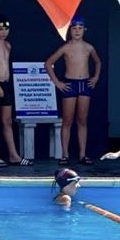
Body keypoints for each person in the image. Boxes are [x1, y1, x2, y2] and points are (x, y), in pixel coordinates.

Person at [43, 17, 101, 165]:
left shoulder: (89, 47)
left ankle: (82, 155)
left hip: (84, 84)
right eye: (74, 28)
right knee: (67, 120)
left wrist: (95, 77)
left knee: (82, 121)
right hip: (70, 84)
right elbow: (48, 63)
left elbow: (98, 62)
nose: (77, 31)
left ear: (84, 30)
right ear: (69, 30)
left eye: (80, 28)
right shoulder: (66, 47)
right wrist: (57, 83)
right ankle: (65, 155)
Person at [0, 18, 30, 168]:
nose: (3, 32)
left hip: (6, 85)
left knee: (7, 121)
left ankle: (14, 155)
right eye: (0, 29)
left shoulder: (8, 45)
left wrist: (4, 85)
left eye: (6, 29)